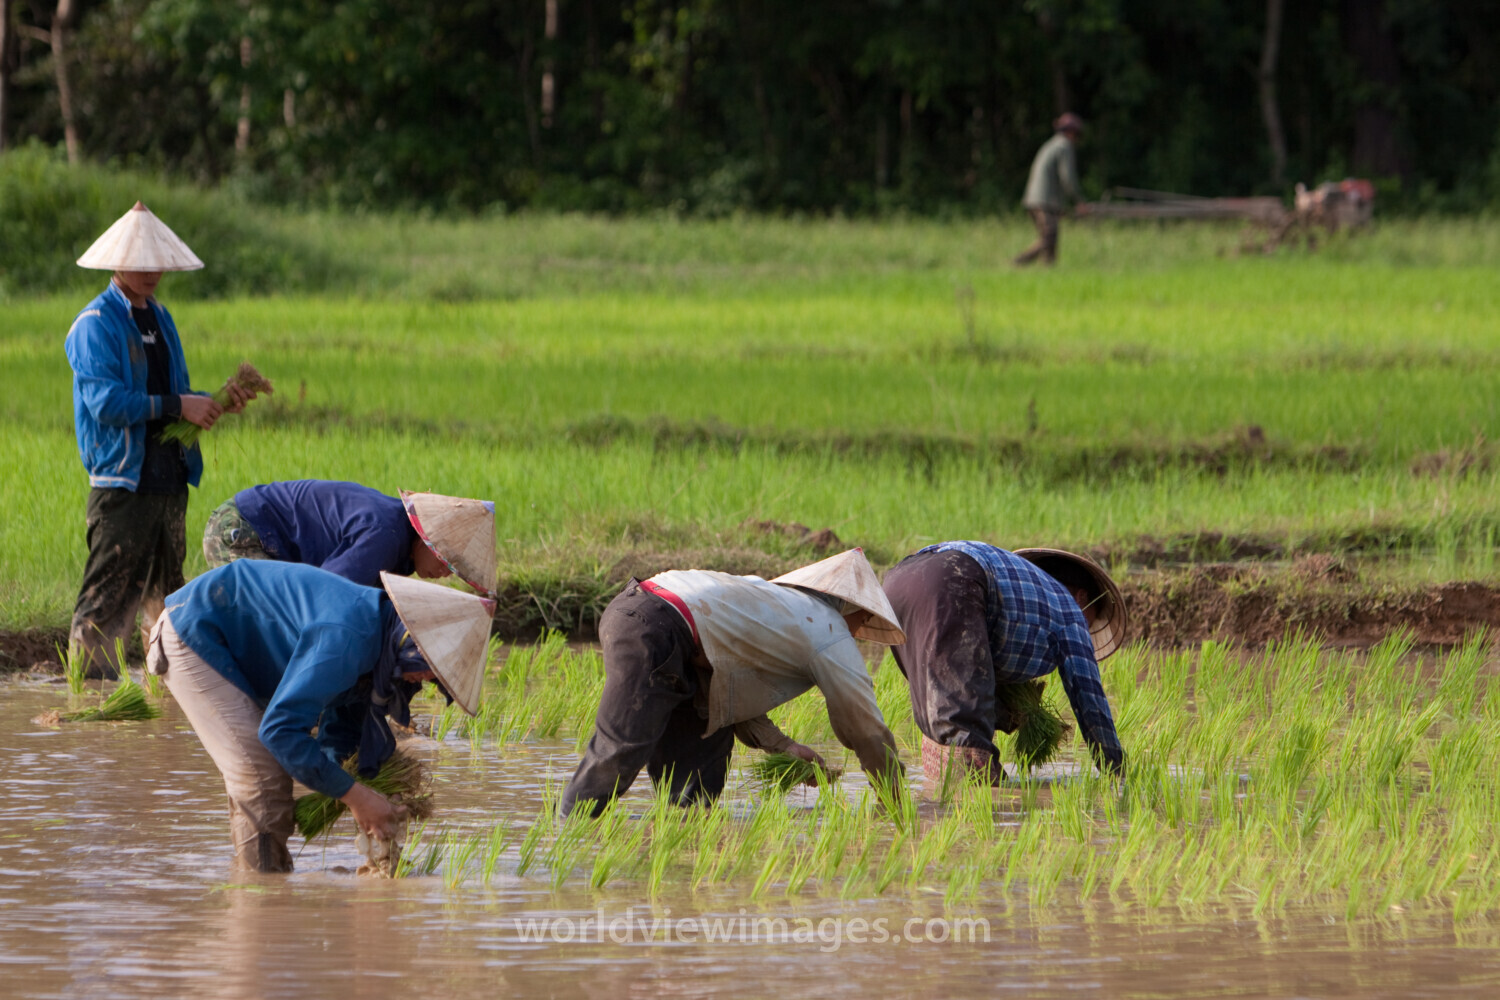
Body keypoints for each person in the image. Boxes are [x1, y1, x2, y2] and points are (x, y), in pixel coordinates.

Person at [146, 561, 494, 871]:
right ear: (413, 645)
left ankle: (263, 877)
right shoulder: (348, 638)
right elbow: (279, 732)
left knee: (265, 777)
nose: (428, 681)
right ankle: (262, 903)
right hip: (194, 632)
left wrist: (365, 793)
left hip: (226, 636)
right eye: (432, 670)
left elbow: (339, 731)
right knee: (262, 779)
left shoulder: (378, 646)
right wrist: (358, 798)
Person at [560, 548, 907, 817]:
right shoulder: (829, 629)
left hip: (647, 618)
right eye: (863, 619)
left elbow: (731, 692)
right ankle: (563, 841)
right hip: (657, 627)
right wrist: (894, 798)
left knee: (696, 778)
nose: (858, 632)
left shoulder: (773, 604)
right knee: (620, 750)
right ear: (849, 608)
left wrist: (784, 747)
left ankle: (682, 857)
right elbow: (866, 728)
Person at [63, 202, 256, 678]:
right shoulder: (94, 325)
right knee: (106, 598)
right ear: (116, 262)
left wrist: (211, 402)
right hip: (123, 483)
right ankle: (84, 693)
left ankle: (165, 696)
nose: (152, 272)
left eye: (158, 263)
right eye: (141, 262)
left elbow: (175, 394)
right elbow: (106, 404)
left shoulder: (161, 319)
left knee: (167, 599)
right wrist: (177, 404)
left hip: (169, 479)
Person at [881, 541, 1128, 785]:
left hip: (898, 581)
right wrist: (1118, 769)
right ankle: (974, 805)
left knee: (935, 713)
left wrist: (1016, 710)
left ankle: (939, 805)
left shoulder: (1029, 595)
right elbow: (1089, 701)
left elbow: (971, 677)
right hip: (953, 579)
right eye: (1091, 619)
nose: (1086, 628)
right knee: (966, 738)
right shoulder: (1071, 610)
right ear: (1082, 597)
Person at [203, 480, 497, 594]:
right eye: (446, 560)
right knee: (271, 615)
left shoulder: (400, 546)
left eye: (453, 570)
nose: (445, 573)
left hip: (264, 536)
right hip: (241, 531)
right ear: (426, 538)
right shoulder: (385, 537)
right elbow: (325, 593)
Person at [1013, 112, 1086, 266]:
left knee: (1051, 241)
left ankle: (1049, 272)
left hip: (1036, 198)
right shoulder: (1064, 146)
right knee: (1049, 238)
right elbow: (1067, 178)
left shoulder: (1052, 144)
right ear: (1071, 132)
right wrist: (1079, 201)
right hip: (1043, 200)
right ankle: (1018, 263)